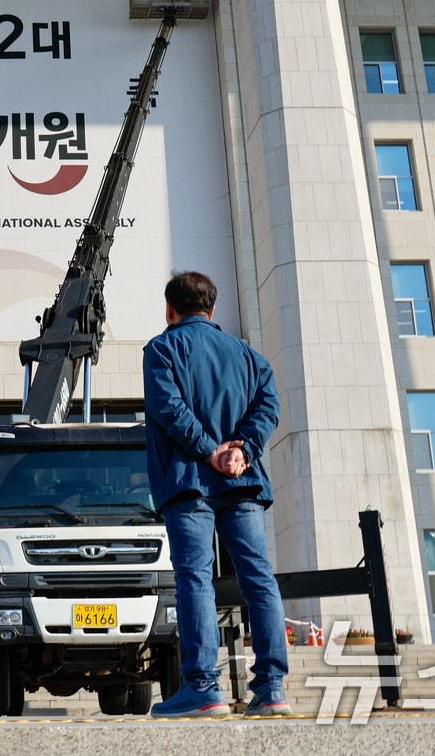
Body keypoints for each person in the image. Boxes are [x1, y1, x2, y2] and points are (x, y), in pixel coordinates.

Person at [142, 271, 286, 719]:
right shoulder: (249, 356)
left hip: (189, 482)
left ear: (170, 310)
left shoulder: (161, 350)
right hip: (242, 481)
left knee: (195, 580)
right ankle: (272, 688)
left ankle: (204, 688)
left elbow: (169, 409)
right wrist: (242, 450)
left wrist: (209, 452)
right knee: (258, 578)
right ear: (213, 308)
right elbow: (268, 407)